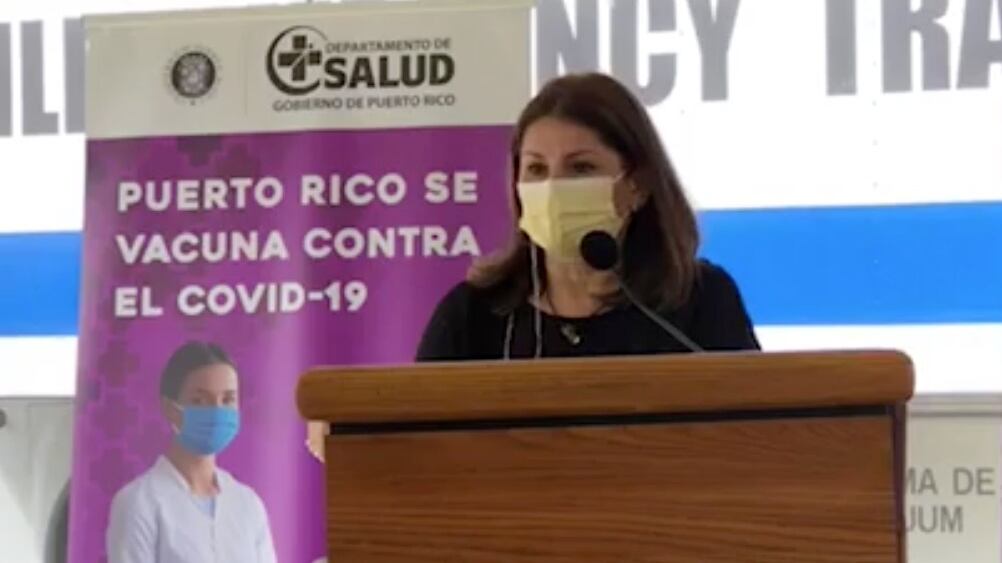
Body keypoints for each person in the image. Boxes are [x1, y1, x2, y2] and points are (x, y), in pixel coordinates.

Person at [416, 73, 760, 360]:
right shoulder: (472, 314)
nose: (552, 188)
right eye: (536, 169)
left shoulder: (701, 301)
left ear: (637, 185)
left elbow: (753, 416)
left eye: (581, 168)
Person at [106, 341, 276, 563]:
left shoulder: (247, 504)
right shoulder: (139, 502)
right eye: (199, 400)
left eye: (227, 399)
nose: (216, 411)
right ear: (170, 408)